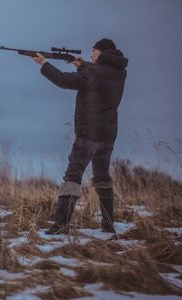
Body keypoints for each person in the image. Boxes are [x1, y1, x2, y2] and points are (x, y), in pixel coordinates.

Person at [32, 38, 128, 234]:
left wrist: (44, 64)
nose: (91, 55)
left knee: (73, 176)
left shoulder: (92, 72)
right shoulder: (119, 73)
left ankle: (60, 226)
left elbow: (63, 80)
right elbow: (97, 79)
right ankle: (108, 225)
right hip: (108, 135)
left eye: (93, 51)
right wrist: (82, 66)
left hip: (88, 134)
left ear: (101, 52)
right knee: (102, 177)